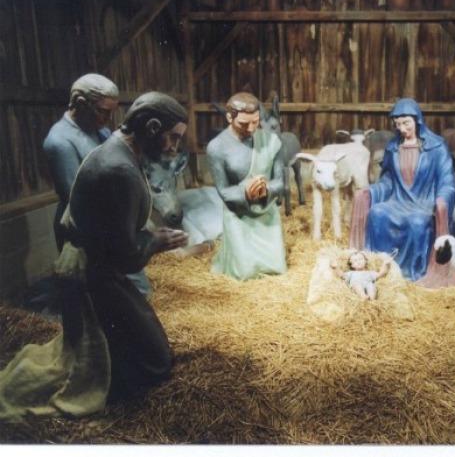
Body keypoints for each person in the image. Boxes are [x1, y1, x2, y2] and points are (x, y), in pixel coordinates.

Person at [0, 92, 190, 421]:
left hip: (97, 267)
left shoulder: (119, 150)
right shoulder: (119, 169)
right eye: (172, 137)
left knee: (150, 349)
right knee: (154, 363)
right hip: (92, 275)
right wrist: (156, 240)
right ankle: (106, 390)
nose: (174, 146)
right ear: (152, 126)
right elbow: (126, 255)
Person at [40, 74, 151, 302]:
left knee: (131, 290)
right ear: (80, 102)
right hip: (83, 227)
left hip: (110, 221)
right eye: (103, 111)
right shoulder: (60, 141)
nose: (109, 118)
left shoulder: (98, 130)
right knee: (99, 298)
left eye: (112, 111)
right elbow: (75, 197)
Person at [349, 98, 455, 288]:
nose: (402, 128)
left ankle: (411, 272)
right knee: (378, 212)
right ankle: (378, 266)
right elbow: (387, 181)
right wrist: (368, 192)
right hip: (397, 201)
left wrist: (442, 200)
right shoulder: (393, 147)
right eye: (398, 124)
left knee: (417, 222)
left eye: (406, 123)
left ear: (417, 121)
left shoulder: (437, 146)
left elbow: (447, 181)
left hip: (424, 203)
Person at [206, 92, 287, 280]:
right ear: (229, 117)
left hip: (266, 212)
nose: (251, 129)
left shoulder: (271, 142)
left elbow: (279, 182)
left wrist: (265, 190)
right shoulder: (216, 147)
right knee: (243, 273)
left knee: (276, 269)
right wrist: (246, 193)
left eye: (256, 122)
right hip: (238, 213)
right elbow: (224, 191)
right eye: (243, 124)